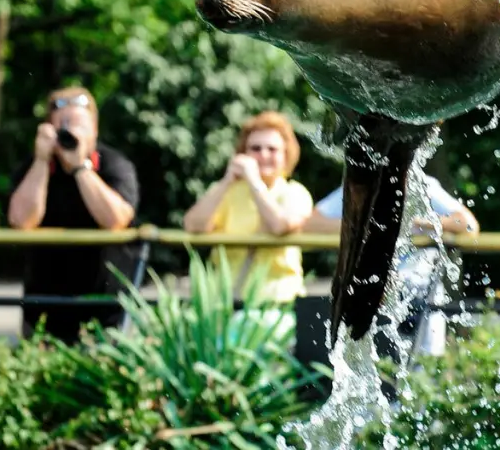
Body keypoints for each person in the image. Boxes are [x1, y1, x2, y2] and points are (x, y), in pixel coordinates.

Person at [8, 87, 140, 344]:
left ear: (95, 130)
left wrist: (80, 167)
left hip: (105, 315)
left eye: (78, 124)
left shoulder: (114, 165)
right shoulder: (32, 167)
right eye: (62, 125)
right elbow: (21, 221)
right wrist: (41, 161)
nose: (69, 132)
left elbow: (115, 220)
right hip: (43, 314)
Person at [307, 173, 480, 355]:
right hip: (368, 293)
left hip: (419, 295)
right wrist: (365, 222)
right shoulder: (361, 183)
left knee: (423, 363)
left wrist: (417, 222)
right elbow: (310, 224)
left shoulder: (422, 184)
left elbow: (468, 226)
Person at [183, 110, 313, 303]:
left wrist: (254, 182)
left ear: (286, 155)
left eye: (272, 149)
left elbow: (279, 226)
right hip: (224, 303)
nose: (264, 155)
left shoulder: (295, 193)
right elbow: (193, 225)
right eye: (256, 148)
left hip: (277, 304)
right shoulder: (226, 192)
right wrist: (227, 181)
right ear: (244, 153)